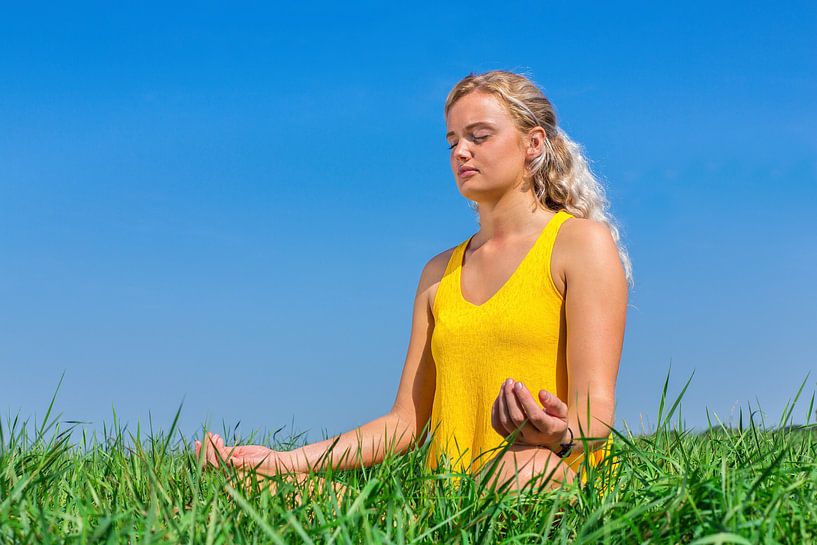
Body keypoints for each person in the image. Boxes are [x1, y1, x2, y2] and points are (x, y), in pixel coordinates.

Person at [196, 70, 631, 496]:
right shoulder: (439, 272)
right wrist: (279, 460)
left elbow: (595, 410)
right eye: (453, 141)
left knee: (523, 466)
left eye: (479, 136)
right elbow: (406, 422)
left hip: (550, 481)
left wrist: (556, 438)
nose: (461, 152)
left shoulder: (579, 244)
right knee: (255, 484)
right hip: (447, 502)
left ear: (533, 143)